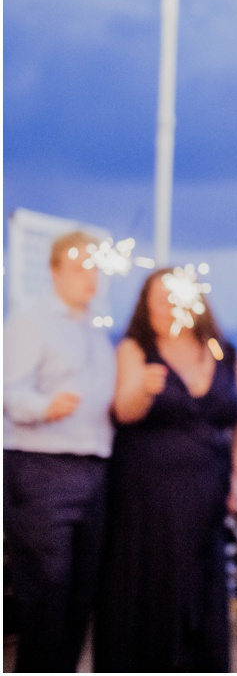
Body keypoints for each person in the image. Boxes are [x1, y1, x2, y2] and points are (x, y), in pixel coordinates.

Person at [92, 269, 237, 672]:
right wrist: (142, 390)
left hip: (207, 492)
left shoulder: (222, 351)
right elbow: (122, 412)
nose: (166, 306)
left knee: (202, 587)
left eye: (174, 297)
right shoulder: (135, 349)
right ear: (146, 306)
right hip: (148, 497)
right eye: (158, 298)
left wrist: (236, 477)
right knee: (151, 587)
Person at [3, 230, 116, 671]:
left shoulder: (96, 328)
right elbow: (8, 392)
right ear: (54, 272)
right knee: (47, 591)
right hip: (41, 467)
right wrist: (43, 407)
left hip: (93, 469)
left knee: (79, 595)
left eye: (95, 268)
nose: (90, 278)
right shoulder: (30, 321)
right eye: (80, 267)